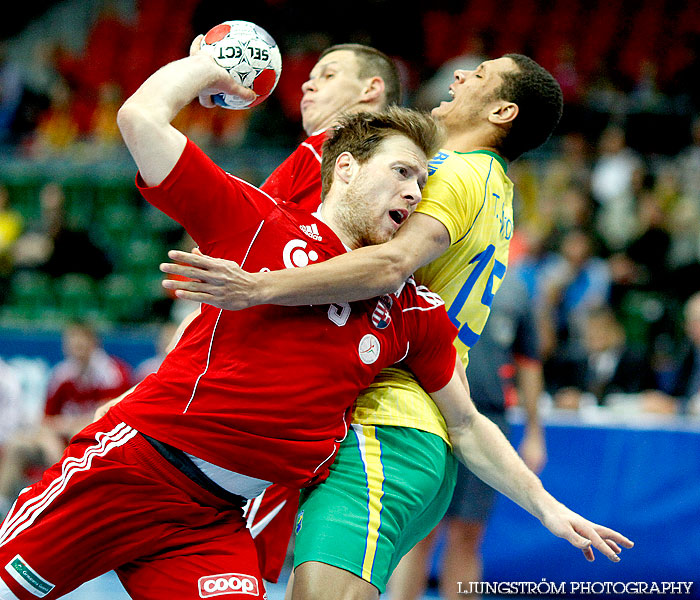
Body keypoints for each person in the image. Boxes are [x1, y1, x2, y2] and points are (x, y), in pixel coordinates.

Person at [162, 54, 631, 599]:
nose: (458, 76)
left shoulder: (456, 173)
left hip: (387, 426)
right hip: (417, 419)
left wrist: (256, 286)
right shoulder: (492, 188)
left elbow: (388, 265)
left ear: (503, 110)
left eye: (477, 76)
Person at [0, 52, 460, 599]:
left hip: (209, 519)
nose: (414, 192)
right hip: (132, 471)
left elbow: (469, 422)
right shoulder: (261, 217)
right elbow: (140, 118)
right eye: (402, 173)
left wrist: (548, 507)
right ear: (343, 169)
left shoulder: (400, 303)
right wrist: (206, 65)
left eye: (420, 180)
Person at [387, 270, 546, 600]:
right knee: (420, 530)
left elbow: (529, 363)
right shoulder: (438, 268)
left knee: (469, 532)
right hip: (431, 409)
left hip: (489, 417)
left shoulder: (516, 289)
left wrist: (534, 432)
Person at [0, 321, 131, 518]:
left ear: (94, 343)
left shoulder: (113, 373)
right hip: (62, 443)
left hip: (100, 445)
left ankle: (71, 509)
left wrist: (68, 427)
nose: (75, 346)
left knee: (78, 431)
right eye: (71, 341)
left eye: (81, 340)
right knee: (19, 446)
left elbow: (109, 417)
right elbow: (45, 421)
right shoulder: (62, 374)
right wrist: (47, 438)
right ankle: (3, 507)